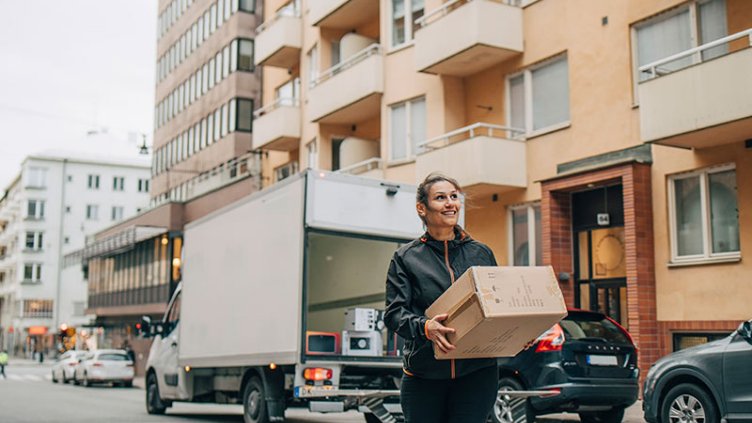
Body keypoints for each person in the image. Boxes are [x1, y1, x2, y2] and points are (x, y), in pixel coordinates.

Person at [384, 173, 499, 423]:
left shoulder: (481, 253)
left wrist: (515, 332)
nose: (450, 203)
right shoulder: (406, 258)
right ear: (421, 208)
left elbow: (497, 304)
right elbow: (394, 315)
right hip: (424, 374)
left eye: (454, 197)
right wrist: (425, 327)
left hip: (477, 373)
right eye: (440, 197)